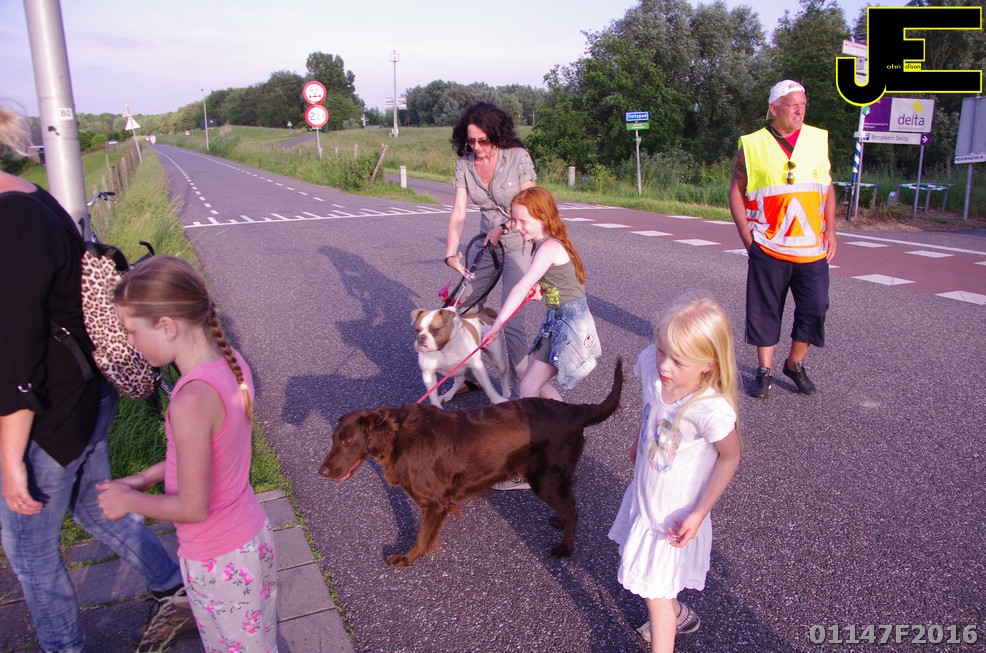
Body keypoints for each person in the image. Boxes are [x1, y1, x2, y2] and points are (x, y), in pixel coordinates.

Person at [0, 105, 194, 653]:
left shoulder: (10, 224)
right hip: (86, 392)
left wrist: (10, 458)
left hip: (48, 415)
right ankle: (174, 586)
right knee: (94, 505)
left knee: (29, 552)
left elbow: (15, 357)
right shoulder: (32, 199)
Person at [96, 256, 278, 652]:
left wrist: (128, 501)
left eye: (132, 332)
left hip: (218, 559)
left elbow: (193, 508)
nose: (131, 343)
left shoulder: (191, 400)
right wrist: (146, 477)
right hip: (248, 538)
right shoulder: (230, 362)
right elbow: (214, 455)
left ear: (167, 326)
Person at [608, 293, 743, 652]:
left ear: (709, 365)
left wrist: (700, 513)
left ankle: (668, 623)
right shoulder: (650, 366)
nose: (665, 365)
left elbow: (730, 457)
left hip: (673, 518)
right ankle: (678, 613)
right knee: (650, 580)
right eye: (661, 350)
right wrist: (639, 440)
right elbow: (650, 407)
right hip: (647, 496)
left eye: (679, 360)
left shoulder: (710, 410)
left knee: (655, 595)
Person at [485, 187, 602, 490]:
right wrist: (545, 289)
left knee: (528, 388)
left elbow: (522, 286)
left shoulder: (549, 247)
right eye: (515, 221)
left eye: (523, 221)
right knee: (533, 383)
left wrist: (497, 324)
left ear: (543, 217)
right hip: (559, 320)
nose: (518, 227)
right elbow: (557, 282)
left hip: (568, 323)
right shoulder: (546, 244)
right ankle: (568, 431)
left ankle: (531, 463)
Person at [728, 79, 837, 399]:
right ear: (774, 109)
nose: (800, 110)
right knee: (765, 309)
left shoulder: (817, 139)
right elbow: (736, 190)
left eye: (803, 104)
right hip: (768, 244)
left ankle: (794, 363)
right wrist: (746, 236)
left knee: (815, 307)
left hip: (811, 248)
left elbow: (827, 186)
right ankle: (764, 370)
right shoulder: (753, 144)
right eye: (793, 105)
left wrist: (831, 229)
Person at [445, 101, 537, 393]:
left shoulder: (517, 157)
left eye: (482, 141)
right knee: (460, 309)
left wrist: (505, 227)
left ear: (496, 135)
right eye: (471, 141)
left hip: (519, 241)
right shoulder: (465, 165)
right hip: (487, 244)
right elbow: (459, 212)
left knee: (511, 321)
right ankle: (464, 378)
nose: (476, 147)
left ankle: (525, 394)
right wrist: (451, 253)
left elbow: (532, 205)